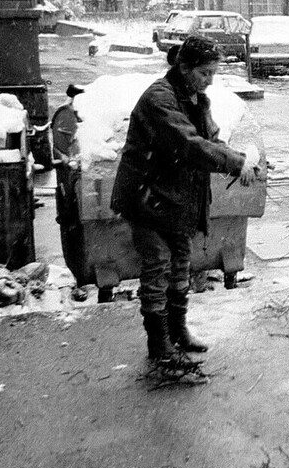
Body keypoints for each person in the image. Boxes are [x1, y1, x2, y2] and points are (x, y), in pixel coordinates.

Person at [112, 36, 262, 364]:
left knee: (181, 261)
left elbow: (210, 139)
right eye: (206, 73)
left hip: (176, 197)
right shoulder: (159, 99)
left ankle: (178, 331)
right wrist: (236, 163)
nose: (210, 81)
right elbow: (189, 145)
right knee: (158, 264)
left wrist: (240, 158)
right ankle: (159, 344)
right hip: (146, 197)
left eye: (213, 74)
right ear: (184, 67)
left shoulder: (197, 99)